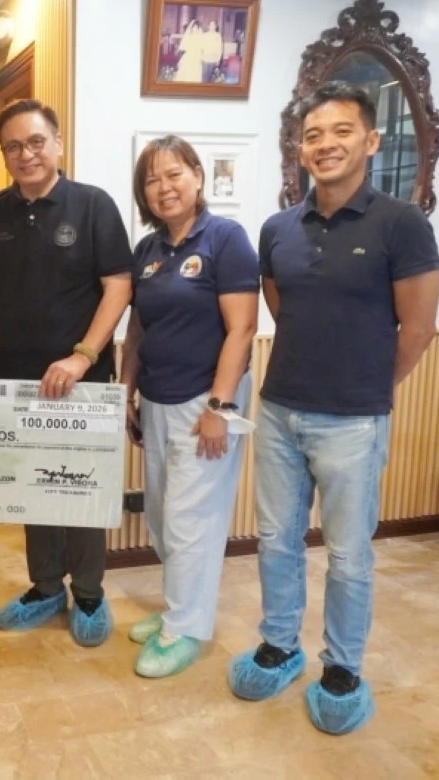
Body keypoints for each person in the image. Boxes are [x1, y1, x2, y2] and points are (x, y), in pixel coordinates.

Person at [227, 81, 439, 735]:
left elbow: (419, 327)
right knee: (275, 539)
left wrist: (370, 388)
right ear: (300, 148)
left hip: (354, 418)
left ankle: (343, 664)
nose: (325, 144)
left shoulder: (402, 224)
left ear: (371, 141)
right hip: (282, 408)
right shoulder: (277, 227)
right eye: (313, 135)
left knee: (348, 553)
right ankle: (280, 643)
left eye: (341, 131)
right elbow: (280, 304)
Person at [0, 99, 132, 647]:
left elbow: (119, 285)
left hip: (81, 377)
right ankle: (45, 588)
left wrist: (82, 355)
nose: (26, 155)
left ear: (58, 143)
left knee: (81, 486)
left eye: (36, 142)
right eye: (13, 147)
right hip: (17, 378)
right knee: (33, 487)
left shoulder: (93, 206)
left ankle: (88, 592)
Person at [120, 136, 258, 678]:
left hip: (206, 400)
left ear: (198, 176)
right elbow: (137, 328)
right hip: (156, 397)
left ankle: (185, 630)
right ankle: (181, 609)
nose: (164, 187)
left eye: (174, 174)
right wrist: (128, 391)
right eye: (152, 180)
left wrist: (219, 407)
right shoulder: (148, 251)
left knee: (189, 520)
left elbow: (242, 328)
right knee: (160, 516)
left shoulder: (226, 239)